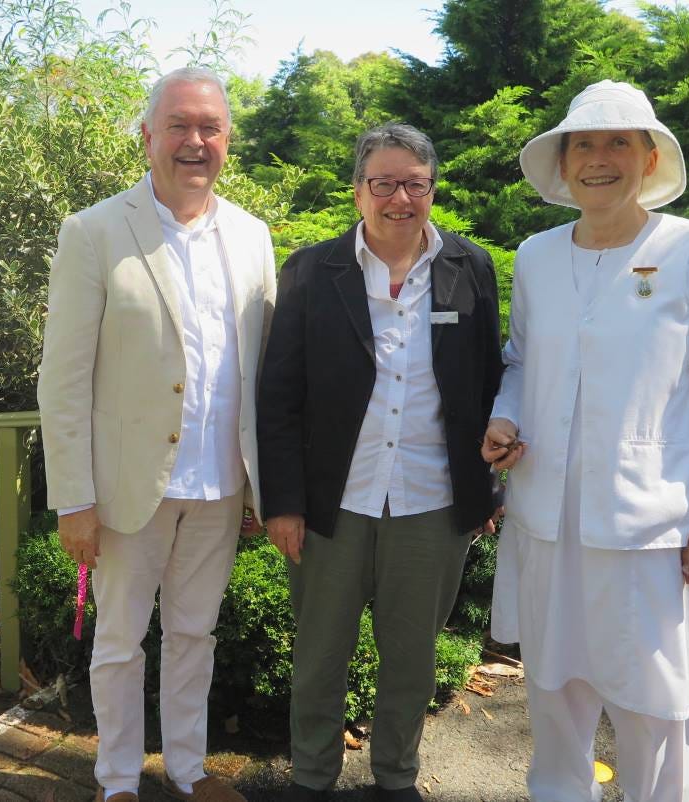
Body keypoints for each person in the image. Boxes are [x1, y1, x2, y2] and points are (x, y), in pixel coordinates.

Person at [482, 80, 689, 802]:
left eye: (618, 142)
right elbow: (522, 361)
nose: (599, 159)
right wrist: (505, 419)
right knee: (553, 693)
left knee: (653, 704)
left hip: (649, 527)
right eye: (583, 145)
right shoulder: (535, 255)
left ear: (650, 157)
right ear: (563, 164)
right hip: (548, 520)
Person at [37, 67, 275, 802]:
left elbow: (261, 371)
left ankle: (188, 768)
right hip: (124, 489)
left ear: (227, 141)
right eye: (179, 125)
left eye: (210, 128)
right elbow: (63, 378)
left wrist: (266, 484)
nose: (195, 141)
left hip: (218, 484)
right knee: (117, 643)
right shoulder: (95, 230)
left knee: (196, 637)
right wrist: (73, 498)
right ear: (147, 137)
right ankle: (116, 780)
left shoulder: (253, 235)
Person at [257, 123, 504, 802]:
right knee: (318, 657)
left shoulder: (469, 267)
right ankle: (311, 778)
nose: (401, 197)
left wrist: (486, 486)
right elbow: (277, 394)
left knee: (412, 662)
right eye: (384, 183)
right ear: (358, 191)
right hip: (334, 502)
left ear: (432, 188)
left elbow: (486, 382)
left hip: (431, 501)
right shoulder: (313, 269)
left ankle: (395, 778)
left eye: (415, 183)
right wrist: (281, 501)